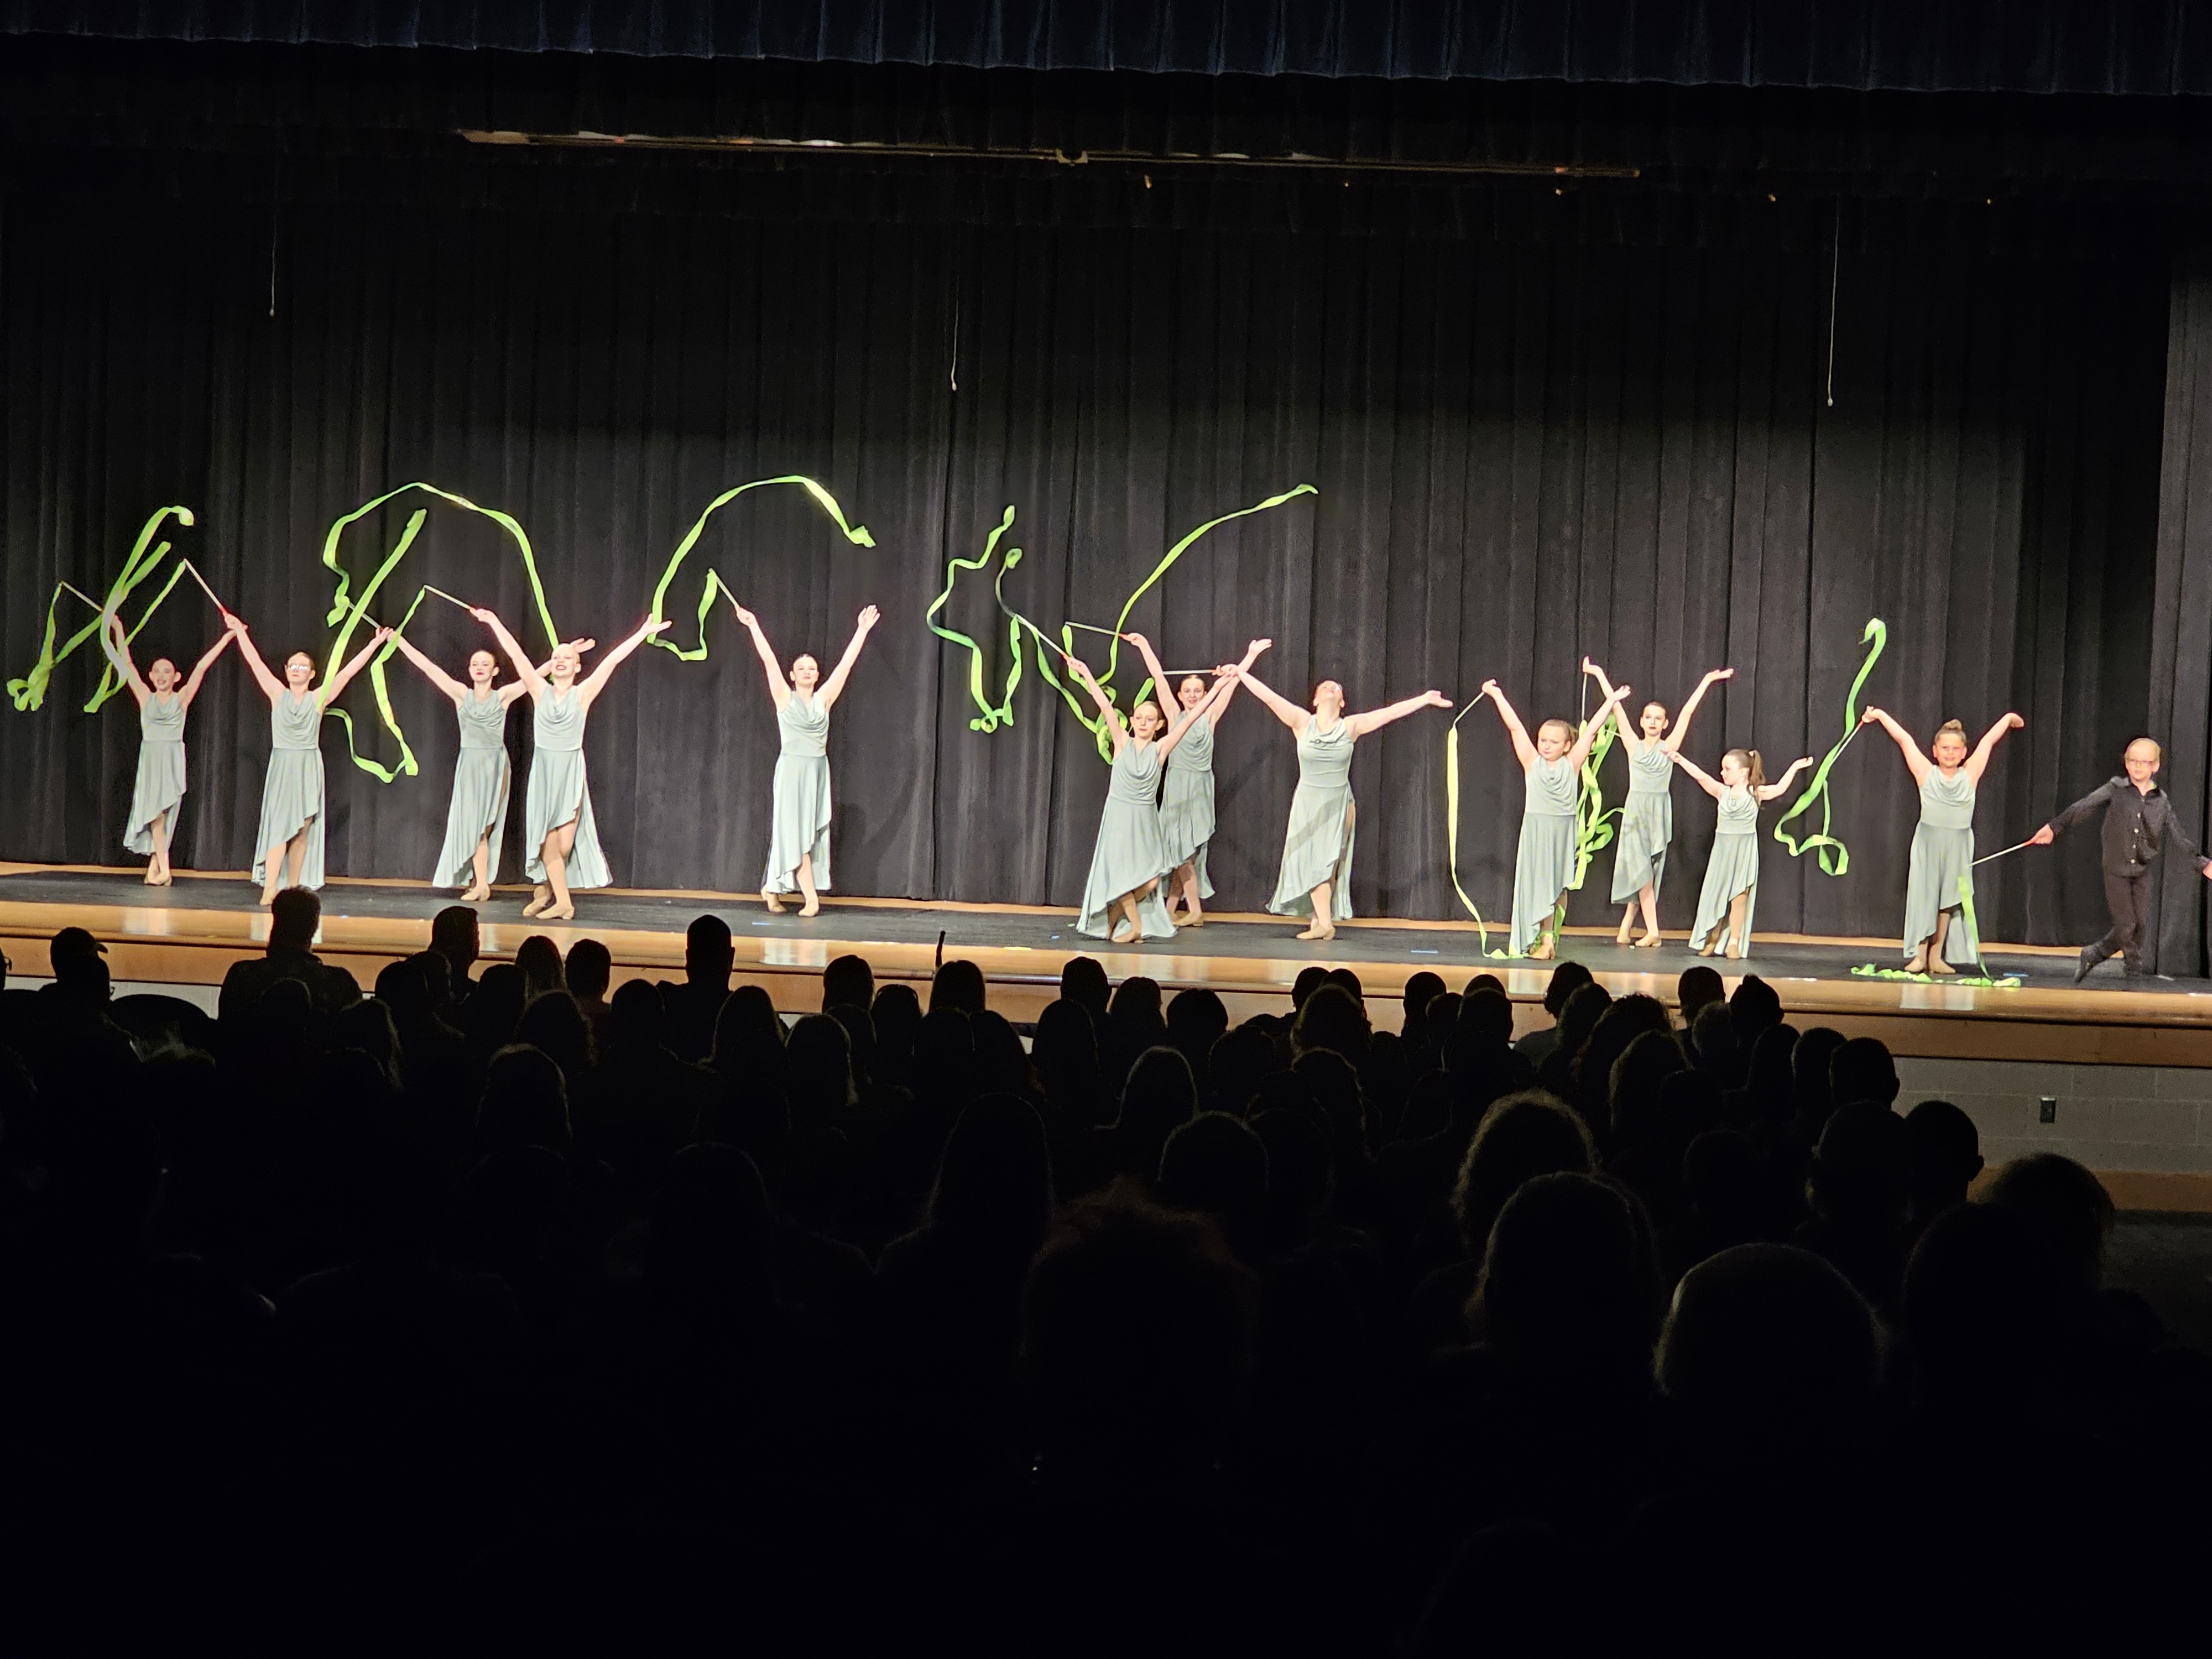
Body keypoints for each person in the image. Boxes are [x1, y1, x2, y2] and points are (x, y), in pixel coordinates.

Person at [474, 606, 669, 920]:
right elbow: (516, 654)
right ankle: (564, 903)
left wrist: (642, 633)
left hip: (570, 771)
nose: (561, 660)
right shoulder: (539, 690)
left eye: (568, 657)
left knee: (562, 847)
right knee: (549, 845)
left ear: (577, 666)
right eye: (556, 656)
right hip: (545, 772)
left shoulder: (583, 694)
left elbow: (612, 661)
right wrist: (494, 621)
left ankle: (545, 892)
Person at [1062, 641, 1264, 943]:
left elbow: (1195, 716)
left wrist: (1223, 683)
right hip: (1120, 816)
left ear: (1159, 725)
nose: (1144, 723)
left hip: (1148, 817)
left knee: (1152, 880)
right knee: (1125, 872)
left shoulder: (1161, 748)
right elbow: (1104, 704)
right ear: (1132, 721)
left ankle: (1115, 916)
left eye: (1150, 719)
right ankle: (1135, 926)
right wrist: (1086, 673)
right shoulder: (1122, 742)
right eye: (1139, 718)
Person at [1235, 667, 1453, 942]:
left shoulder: (1351, 726)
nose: (1331, 687)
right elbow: (1268, 697)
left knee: (1327, 863)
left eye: (1336, 687)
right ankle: (1320, 922)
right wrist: (1241, 672)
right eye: (1324, 686)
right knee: (1314, 862)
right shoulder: (1302, 721)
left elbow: (1389, 713)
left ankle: (1323, 923)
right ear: (1315, 700)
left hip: (1339, 802)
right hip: (1308, 803)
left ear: (1342, 702)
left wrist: (1424, 699)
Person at [389, 628, 591, 901]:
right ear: (469, 669)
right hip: (470, 766)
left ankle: (484, 884)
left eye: (486, 664)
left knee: (483, 825)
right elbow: (428, 668)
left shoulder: (503, 696)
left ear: (495, 671)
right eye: (475, 664)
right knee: (472, 825)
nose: (480, 667)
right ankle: (481, 883)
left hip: (495, 765)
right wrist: (399, 641)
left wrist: (564, 657)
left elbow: (531, 676)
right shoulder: (461, 694)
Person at [731, 602, 881, 917]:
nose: (808, 672)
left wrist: (862, 631)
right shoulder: (784, 698)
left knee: (803, 834)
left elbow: (846, 666)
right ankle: (811, 898)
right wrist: (753, 625)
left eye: (812, 668)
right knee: (794, 833)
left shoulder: (824, 699)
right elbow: (768, 660)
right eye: (802, 668)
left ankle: (772, 889)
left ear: (817, 674)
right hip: (792, 773)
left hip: (816, 772)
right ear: (793, 675)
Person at [227, 613, 390, 904]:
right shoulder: (277, 693)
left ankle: (292, 889)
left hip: (308, 766)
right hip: (283, 766)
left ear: (312, 674)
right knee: (279, 828)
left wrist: (374, 644)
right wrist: (240, 631)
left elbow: (347, 673)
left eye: (303, 667)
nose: (297, 670)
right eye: (293, 666)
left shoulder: (319, 698)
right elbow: (255, 662)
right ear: (286, 670)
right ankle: (270, 889)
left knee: (302, 830)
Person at [2028, 737, 2212, 983]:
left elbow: (2177, 834)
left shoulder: (2161, 800)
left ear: (2155, 766)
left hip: (2141, 869)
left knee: (2140, 924)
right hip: (2116, 868)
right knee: (2126, 925)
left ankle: (2095, 953)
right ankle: (2133, 970)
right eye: (2132, 761)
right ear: (2126, 763)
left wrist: (2202, 863)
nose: (2137, 766)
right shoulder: (2116, 789)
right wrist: (2055, 827)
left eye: (2144, 762)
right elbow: (2085, 805)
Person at [1478, 677, 1632, 960]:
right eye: (1543, 740)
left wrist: (1611, 702)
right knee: (1536, 884)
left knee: (1555, 884)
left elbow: (1592, 730)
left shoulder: (1572, 763)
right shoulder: (1531, 761)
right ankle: (1543, 939)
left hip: (1560, 831)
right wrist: (1497, 695)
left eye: (1554, 742)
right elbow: (1515, 727)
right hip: (1536, 830)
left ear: (1567, 745)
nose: (1546, 746)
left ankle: (1548, 939)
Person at [1582, 659, 1733, 946]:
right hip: (1636, 813)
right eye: (1648, 717)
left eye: (1658, 718)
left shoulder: (1669, 746)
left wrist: (1707, 681)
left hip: (1658, 812)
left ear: (1665, 724)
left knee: (1647, 873)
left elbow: (1688, 711)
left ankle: (1630, 928)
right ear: (1641, 721)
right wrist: (1599, 673)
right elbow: (1616, 707)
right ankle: (1652, 931)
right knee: (1641, 873)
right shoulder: (1632, 744)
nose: (1652, 721)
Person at [1861, 708, 2025, 974]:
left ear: (1964, 752)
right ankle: (1920, 955)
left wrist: (2008, 719)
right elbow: (1904, 739)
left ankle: (1936, 956)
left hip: (1958, 846)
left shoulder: (1970, 774)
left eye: (1955, 748)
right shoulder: (1925, 772)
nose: (1950, 753)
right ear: (1935, 751)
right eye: (1945, 748)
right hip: (1928, 844)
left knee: (1948, 901)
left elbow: (1988, 742)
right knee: (1925, 897)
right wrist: (1879, 715)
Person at [1120, 632, 1261, 928]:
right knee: (1178, 851)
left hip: (1200, 789)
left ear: (1205, 692)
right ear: (1181, 695)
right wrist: (1144, 646)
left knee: (1188, 853)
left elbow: (1233, 684)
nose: (1194, 695)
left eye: (1199, 690)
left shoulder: (1210, 717)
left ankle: (1191, 910)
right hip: (1176, 788)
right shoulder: (1174, 715)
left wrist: (1250, 656)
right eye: (1188, 691)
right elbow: (1158, 677)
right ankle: (1173, 909)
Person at [97, 606, 236, 884]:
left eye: (167, 671)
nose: (161, 675)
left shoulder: (181, 698)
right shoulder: (145, 697)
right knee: (157, 814)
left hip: (171, 757)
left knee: (163, 813)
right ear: (150, 676)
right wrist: (118, 629)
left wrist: (228, 637)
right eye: (157, 671)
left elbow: (202, 667)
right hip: (151, 759)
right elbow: (126, 663)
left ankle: (156, 868)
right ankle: (164, 870)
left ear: (176, 677)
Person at [1672, 749, 1813, 959]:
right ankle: (1712, 938)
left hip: (1744, 851)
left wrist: (1795, 767)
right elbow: (1701, 776)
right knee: (1717, 896)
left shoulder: (1755, 793)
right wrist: (1680, 760)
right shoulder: (1722, 792)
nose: (1722, 773)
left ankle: (1734, 942)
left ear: (1743, 772)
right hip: (1722, 853)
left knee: (1739, 897)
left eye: (1727, 769)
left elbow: (1779, 789)